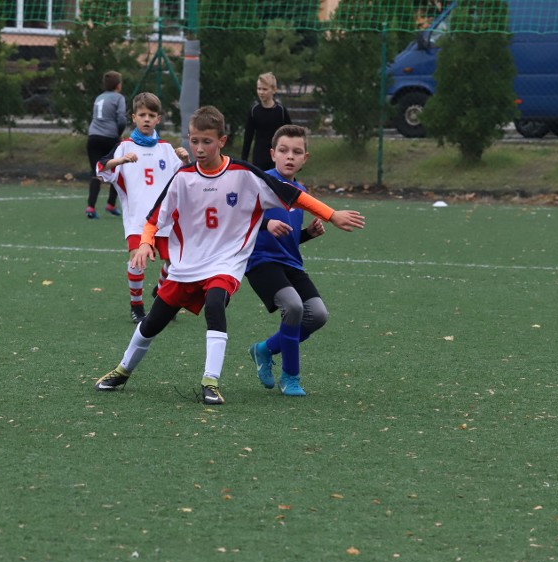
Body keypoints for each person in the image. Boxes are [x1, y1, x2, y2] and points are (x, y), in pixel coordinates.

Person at [94, 105, 364, 405]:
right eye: (194, 141)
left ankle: (210, 381)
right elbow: (154, 219)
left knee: (215, 304)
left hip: (225, 263)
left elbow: (295, 196)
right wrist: (146, 243)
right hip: (187, 264)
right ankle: (122, 370)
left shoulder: (244, 175)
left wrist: (331, 215)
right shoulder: (182, 177)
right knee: (153, 322)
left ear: (222, 140)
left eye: (206, 141)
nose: (199, 148)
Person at [245, 124, 330, 397]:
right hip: (260, 262)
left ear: (305, 158)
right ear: (272, 154)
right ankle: (290, 377)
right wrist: (266, 223)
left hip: (291, 264)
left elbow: (288, 239)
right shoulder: (259, 182)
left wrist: (308, 234)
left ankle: (265, 349)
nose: (289, 156)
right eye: (283, 151)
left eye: (296, 152)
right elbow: (240, 218)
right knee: (293, 306)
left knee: (317, 315)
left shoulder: (301, 192)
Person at [96, 92, 190, 324]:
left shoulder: (167, 149)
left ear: (158, 119)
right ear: (134, 118)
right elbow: (100, 169)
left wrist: (186, 160)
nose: (146, 119)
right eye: (142, 115)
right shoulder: (124, 147)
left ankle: (159, 294)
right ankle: (136, 306)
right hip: (138, 218)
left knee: (174, 264)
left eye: (151, 115)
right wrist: (120, 161)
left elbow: (186, 178)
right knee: (138, 260)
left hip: (165, 218)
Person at [85, 70, 127, 219]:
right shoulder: (119, 98)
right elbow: (121, 118)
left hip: (93, 137)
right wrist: (119, 133)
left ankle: (90, 207)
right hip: (110, 138)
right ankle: (111, 204)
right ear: (118, 85)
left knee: (96, 172)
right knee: (117, 170)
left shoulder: (99, 98)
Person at [241, 72, 292, 171]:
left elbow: (290, 134)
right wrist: (244, 160)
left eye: (265, 89)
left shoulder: (280, 111)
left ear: (274, 90)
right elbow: (248, 136)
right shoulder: (254, 111)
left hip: (277, 157)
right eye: (259, 89)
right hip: (259, 157)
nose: (261, 92)